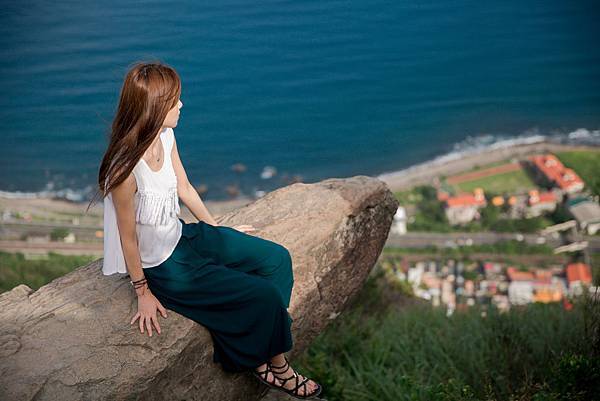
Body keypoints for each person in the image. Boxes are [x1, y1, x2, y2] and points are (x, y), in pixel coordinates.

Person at [87, 60, 322, 399]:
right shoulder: (126, 169)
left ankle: (260, 339)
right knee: (264, 296)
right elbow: (128, 238)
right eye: (174, 100)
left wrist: (219, 232)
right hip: (165, 269)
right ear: (154, 107)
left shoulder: (165, 136)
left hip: (184, 237)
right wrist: (142, 292)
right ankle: (277, 366)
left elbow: (184, 188)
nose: (181, 105)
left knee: (277, 259)